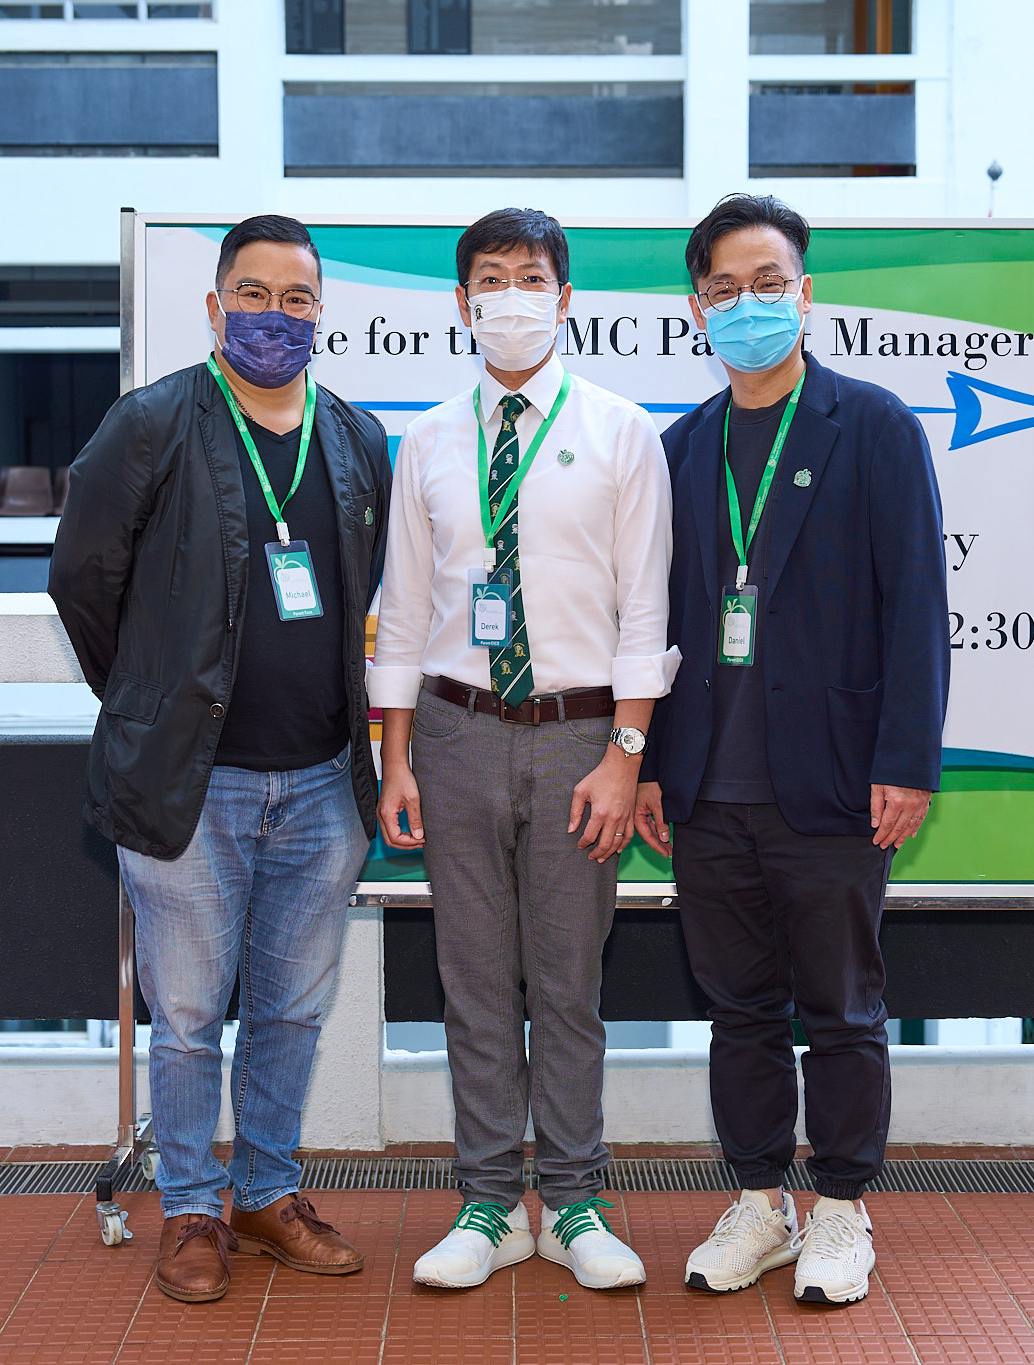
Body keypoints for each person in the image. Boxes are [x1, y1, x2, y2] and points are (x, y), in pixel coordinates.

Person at [49, 214, 391, 1305]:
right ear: (213, 306)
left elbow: (371, 590)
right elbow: (81, 581)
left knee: (291, 1011)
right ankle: (192, 1208)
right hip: (190, 788)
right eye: (253, 295)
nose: (273, 316)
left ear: (320, 312)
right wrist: (149, 704)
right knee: (191, 1017)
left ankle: (267, 1194)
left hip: (324, 785)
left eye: (296, 299)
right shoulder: (150, 424)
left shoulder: (355, 438)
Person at [633, 194, 949, 1306]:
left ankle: (843, 1209)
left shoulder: (873, 426)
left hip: (835, 780)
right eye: (724, 289)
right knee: (740, 1010)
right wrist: (650, 764)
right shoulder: (681, 447)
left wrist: (906, 759)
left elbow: (917, 606)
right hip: (707, 787)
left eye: (768, 283)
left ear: (804, 293)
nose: (748, 305)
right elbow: (655, 621)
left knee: (843, 1011)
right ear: (697, 309)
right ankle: (761, 1202)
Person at [370, 207, 677, 1291]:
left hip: (581, 739)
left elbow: (646, 611)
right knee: (473, 981)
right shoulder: (427, 441)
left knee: (567, 979)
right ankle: (492, 1202)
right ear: (462, 304)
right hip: (454, 734)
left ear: (565, 297)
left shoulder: (621, 432)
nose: (512, 296)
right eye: (490, 279)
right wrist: (395, 757)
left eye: (531, 276)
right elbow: (404, 612)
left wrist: (626, 754)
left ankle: (577, 1199)